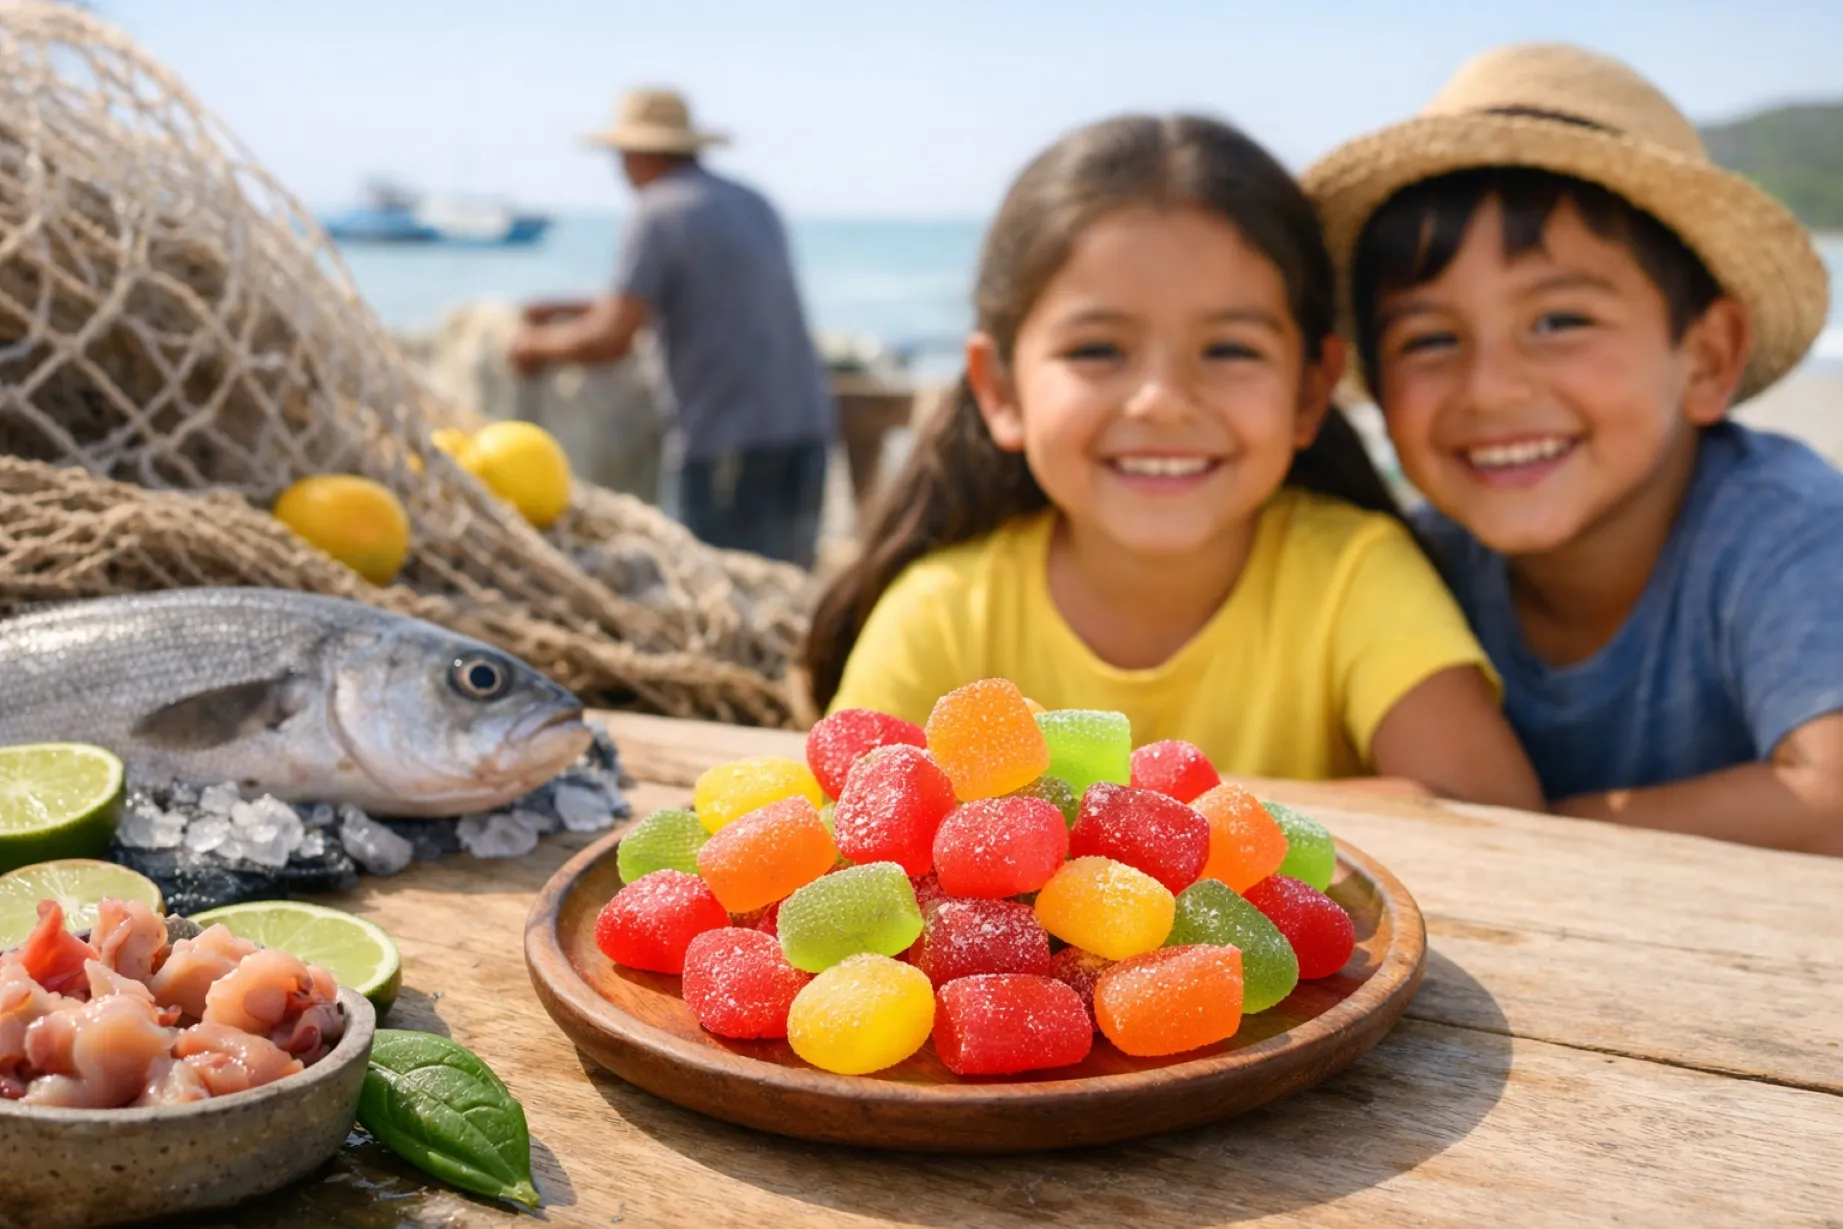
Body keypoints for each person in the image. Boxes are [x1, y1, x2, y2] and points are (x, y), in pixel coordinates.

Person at [802, 114, 1545, 809]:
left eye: (1228, 349)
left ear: (1310, 391)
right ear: (999, 388)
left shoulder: (1353, 573)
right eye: (1097, 350)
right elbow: (845, 832)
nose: (1161, 401)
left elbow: (1489, 819)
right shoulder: (941, 610)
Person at [1303, 43, 1843, 855]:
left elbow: (1831, 796)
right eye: (1429, 337)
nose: (1490, 388)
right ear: (1376, 386)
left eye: (1558, 322)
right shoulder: (1414, 566)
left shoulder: (1784, 528)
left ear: (1705, 358)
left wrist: (1526, 826)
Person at [510, 87, 836, 568]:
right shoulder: (751, 202)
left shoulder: (657, 211)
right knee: (785, 595)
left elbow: (612, 339)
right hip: (806, 430)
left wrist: (535, 347)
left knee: (715, 600)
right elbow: (686, 295)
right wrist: (565, 308)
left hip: (729, 448)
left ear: (637, 155)